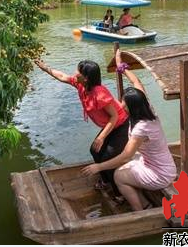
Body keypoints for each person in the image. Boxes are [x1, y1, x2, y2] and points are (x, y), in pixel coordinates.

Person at [81, 49, 177, 211]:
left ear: (132, 108)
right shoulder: (148, 109)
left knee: (119, 175)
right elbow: (137, 83)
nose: (120, 105)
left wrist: (99, 167)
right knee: (122, 164)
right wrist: (121, 66)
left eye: (123, 104)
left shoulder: (140, 129)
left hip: (160, 174)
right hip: (158, 164)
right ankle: (142, 200)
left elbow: (126, 155)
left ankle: (140, 210)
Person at [35, 59, 129, 195]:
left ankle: (118, 193)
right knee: (95, 151)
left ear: (86, 78)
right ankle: (105, 181)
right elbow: (62, 76)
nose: (74, 73)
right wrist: (45, 68)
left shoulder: (100, 94)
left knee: (107, 160)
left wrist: (101, 137)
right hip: (110, 126)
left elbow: (114, 117)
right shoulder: (81, 85)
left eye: (78, 71)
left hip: (120, 126)